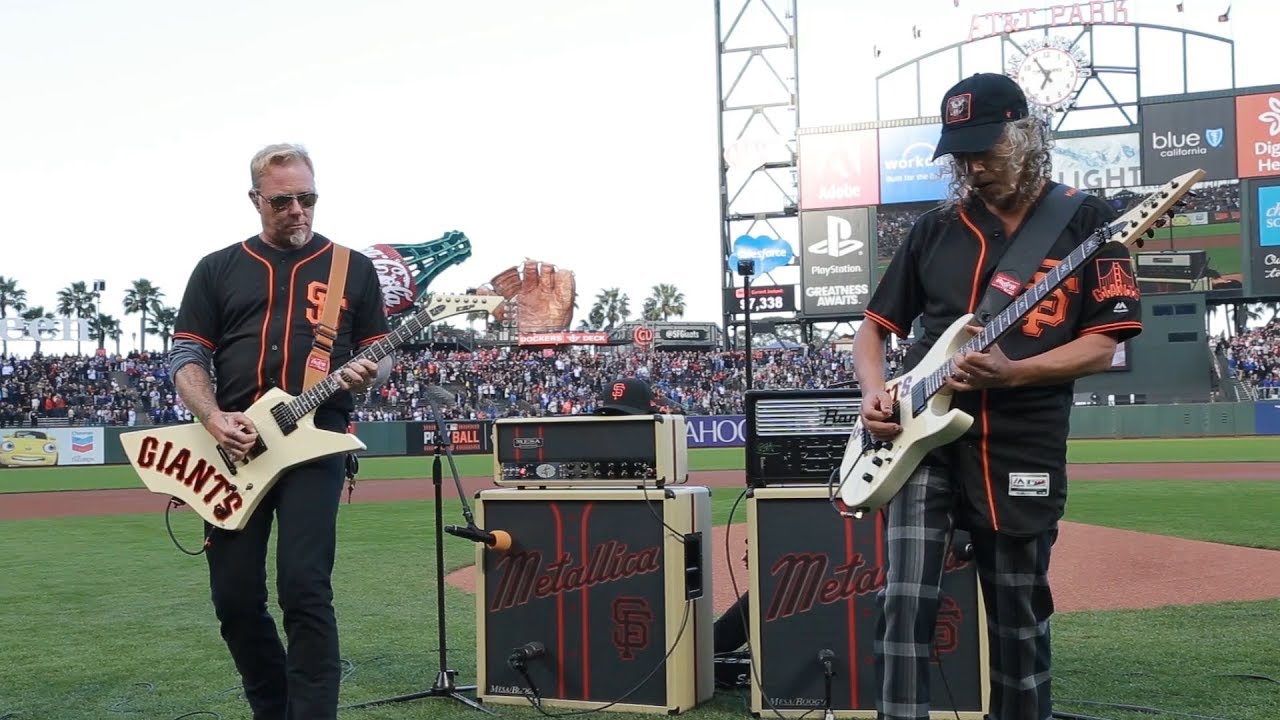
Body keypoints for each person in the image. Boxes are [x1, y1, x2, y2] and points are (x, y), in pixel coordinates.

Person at [853, 73, 1143, 720]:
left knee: (1018, 617)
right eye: (962, 155)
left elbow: (1103, 346)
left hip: (1023, 441)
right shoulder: (932, 230)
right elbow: (872, 331)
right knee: (904, 600)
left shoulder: (1092, 224)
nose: (975, 167)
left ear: (1026, 135)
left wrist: (1012, 374)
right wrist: (874, 393)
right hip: (919, 441)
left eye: (987, 149)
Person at [168, 143, 393, 720]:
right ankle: (273, 708)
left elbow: (377, 354)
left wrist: (369, 374)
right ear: (256, 200)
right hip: (233, 446)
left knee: (305, 589)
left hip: (318, 440)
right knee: (235, 600)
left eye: (308, 198)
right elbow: (188, 355)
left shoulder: (353, 268)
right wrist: (213, 417)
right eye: (283, 200)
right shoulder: (217, 268)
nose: (298, 210)